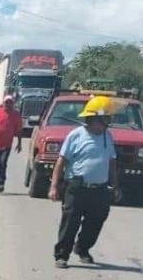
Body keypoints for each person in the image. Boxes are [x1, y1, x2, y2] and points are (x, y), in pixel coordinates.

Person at [49, 95, 122, 268]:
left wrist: (116, 186)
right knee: (70, 223)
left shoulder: (107, 136)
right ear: (94, 118)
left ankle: (82, 248)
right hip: (77, 187)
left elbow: (111, 162)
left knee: (96, 220)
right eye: (105, 119)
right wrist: (53, 186)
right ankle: (62, 255)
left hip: (100, 189)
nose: (108, 123)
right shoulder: (75, 136)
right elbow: (61, 161)